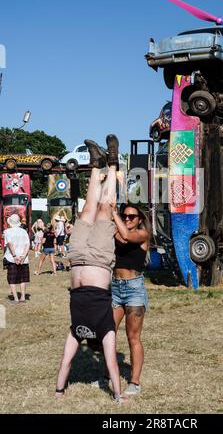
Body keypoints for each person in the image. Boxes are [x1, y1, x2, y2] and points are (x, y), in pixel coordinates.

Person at [55, 135, 128, 402]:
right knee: (105, 209)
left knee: (87, 210)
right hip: (97, 259)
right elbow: (112, 364)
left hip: (76, 259)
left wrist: (59, 391)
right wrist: (118, 396)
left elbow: (65, 362)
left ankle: (96, 164)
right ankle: (112, 163)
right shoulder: (107, 328)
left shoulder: (76, 331)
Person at [109, 203, 151, 396]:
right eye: (124, 215)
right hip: (115, 288)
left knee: (133, 337)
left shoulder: (142, 235)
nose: (127, 219)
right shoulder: (115, 231)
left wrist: (113, 214)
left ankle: (134, 382)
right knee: (107, 334)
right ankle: (108, 374)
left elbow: (126, 236)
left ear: (139, 219)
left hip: (134, 289)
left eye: (132, 216)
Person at [3, 214, 30, 304]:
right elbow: (27, 244)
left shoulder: (7, 231)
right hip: (23, 259)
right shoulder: (24, 231)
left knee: (12, 279)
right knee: (22, 278)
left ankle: (16, 299)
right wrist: (23, 256)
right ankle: (23, 297)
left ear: (10, 222)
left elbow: (10, 244)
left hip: (11, 258)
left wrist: (15, 256)